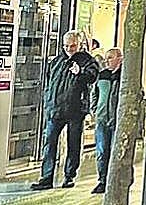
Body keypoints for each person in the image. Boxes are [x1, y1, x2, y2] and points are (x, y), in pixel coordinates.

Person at [31, 30, 99, 190]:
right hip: (55, 109)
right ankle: (46, 177)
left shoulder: (87, 61)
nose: (69, 48)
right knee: (49, 143)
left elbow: (92, 76)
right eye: (66, 45)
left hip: (75, 110)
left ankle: (69, 176)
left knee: (73, 144)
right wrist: (48, 102)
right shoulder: (56, 61)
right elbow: (48, 83)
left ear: (79, 44)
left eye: (73, 45)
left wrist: (80, 72)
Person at [91, 47, 122, 195]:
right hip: (102, 118)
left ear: (119, 59)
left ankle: (114, 180)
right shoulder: (102, 75)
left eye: (110, 57)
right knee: (102, 151)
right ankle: (102, 180)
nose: (107, 60)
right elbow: (94, 93)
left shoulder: (125, 77)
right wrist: (94, 110)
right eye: (106, 58)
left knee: (115, 151)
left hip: (117, 120)